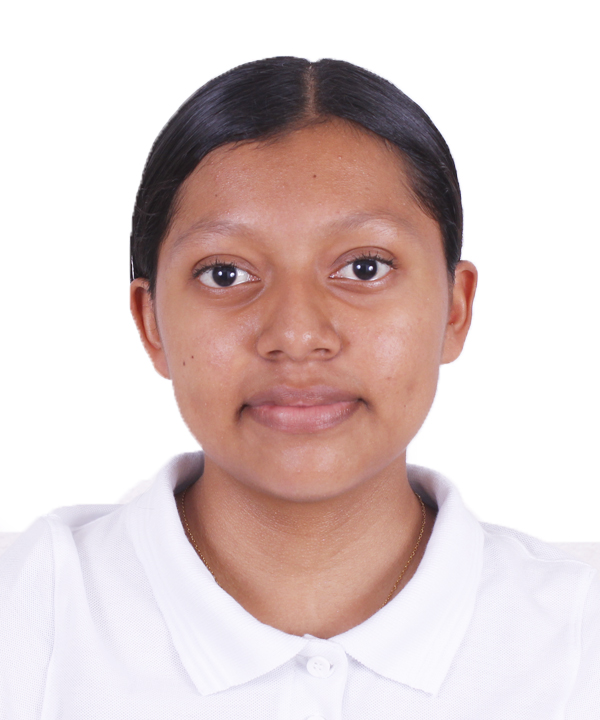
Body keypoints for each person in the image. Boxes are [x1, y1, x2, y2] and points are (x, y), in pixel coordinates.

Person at [0, 57, 598, 719]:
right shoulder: (29, 612)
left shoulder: (580, 635)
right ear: (152, 323)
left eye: (364, 267)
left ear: (455, 309)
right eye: (225, 274)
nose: (296, 334)